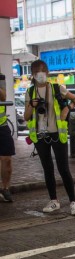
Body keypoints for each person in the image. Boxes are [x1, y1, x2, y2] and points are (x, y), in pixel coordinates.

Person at [24, 60, 75, 215]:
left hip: (57, 134)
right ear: (33, 74)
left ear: (47, 72)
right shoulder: (30, 92)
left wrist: (67, 108)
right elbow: (26, 116)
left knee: (63, 169)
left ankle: (73, 202)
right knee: (47, 169)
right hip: (41, 135)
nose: (40, 74)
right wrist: (32, 105)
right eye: (36, 71)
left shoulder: (57, 87)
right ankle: (54, 201)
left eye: (42, 70)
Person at [0, 70, 14, 202]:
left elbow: (3, 97)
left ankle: (5, 188)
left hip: (2, 126)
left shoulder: (1, 77)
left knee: (6, 159)